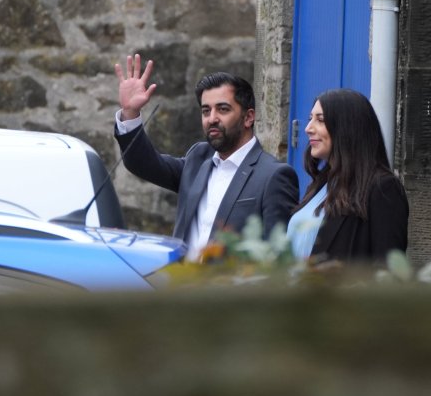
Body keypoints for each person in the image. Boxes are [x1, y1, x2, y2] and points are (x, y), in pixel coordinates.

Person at [113, 53, 299, 262]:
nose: (212, 119)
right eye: (205, 110)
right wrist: (130, 113)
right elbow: (142, 163)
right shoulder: (198, 159)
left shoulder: (274, 176)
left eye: (223, 109)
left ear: (248, 117)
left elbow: (276, 259)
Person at [286, 88, 408, 263]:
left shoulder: (382, 188)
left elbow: (388, 269)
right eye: (310, 119)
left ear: (347, 127)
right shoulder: (321, 184)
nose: (307, 128)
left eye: (320, 120)